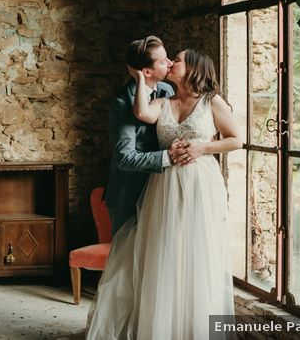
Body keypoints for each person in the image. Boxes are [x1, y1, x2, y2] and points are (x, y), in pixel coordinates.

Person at [87, 48, 243, 340]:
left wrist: (202, 148)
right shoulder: (162, 101)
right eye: (168, 60)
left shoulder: (211, 101)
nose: (171, 63)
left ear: (194, 67)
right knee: (165, 250)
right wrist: (139, 78)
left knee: (197, 251)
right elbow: (142, 113)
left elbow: (237, 140)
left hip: (200, 184)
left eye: (178, 59)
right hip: (165, 184)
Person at [104, 36, 186, 237]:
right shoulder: (122, 103)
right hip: (130, 194)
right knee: (128, 262)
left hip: (162, 190)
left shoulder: (166, 90)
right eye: (162, 61)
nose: (170, 64)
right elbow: (124, 158)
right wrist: (168, 157)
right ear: (146, 71)